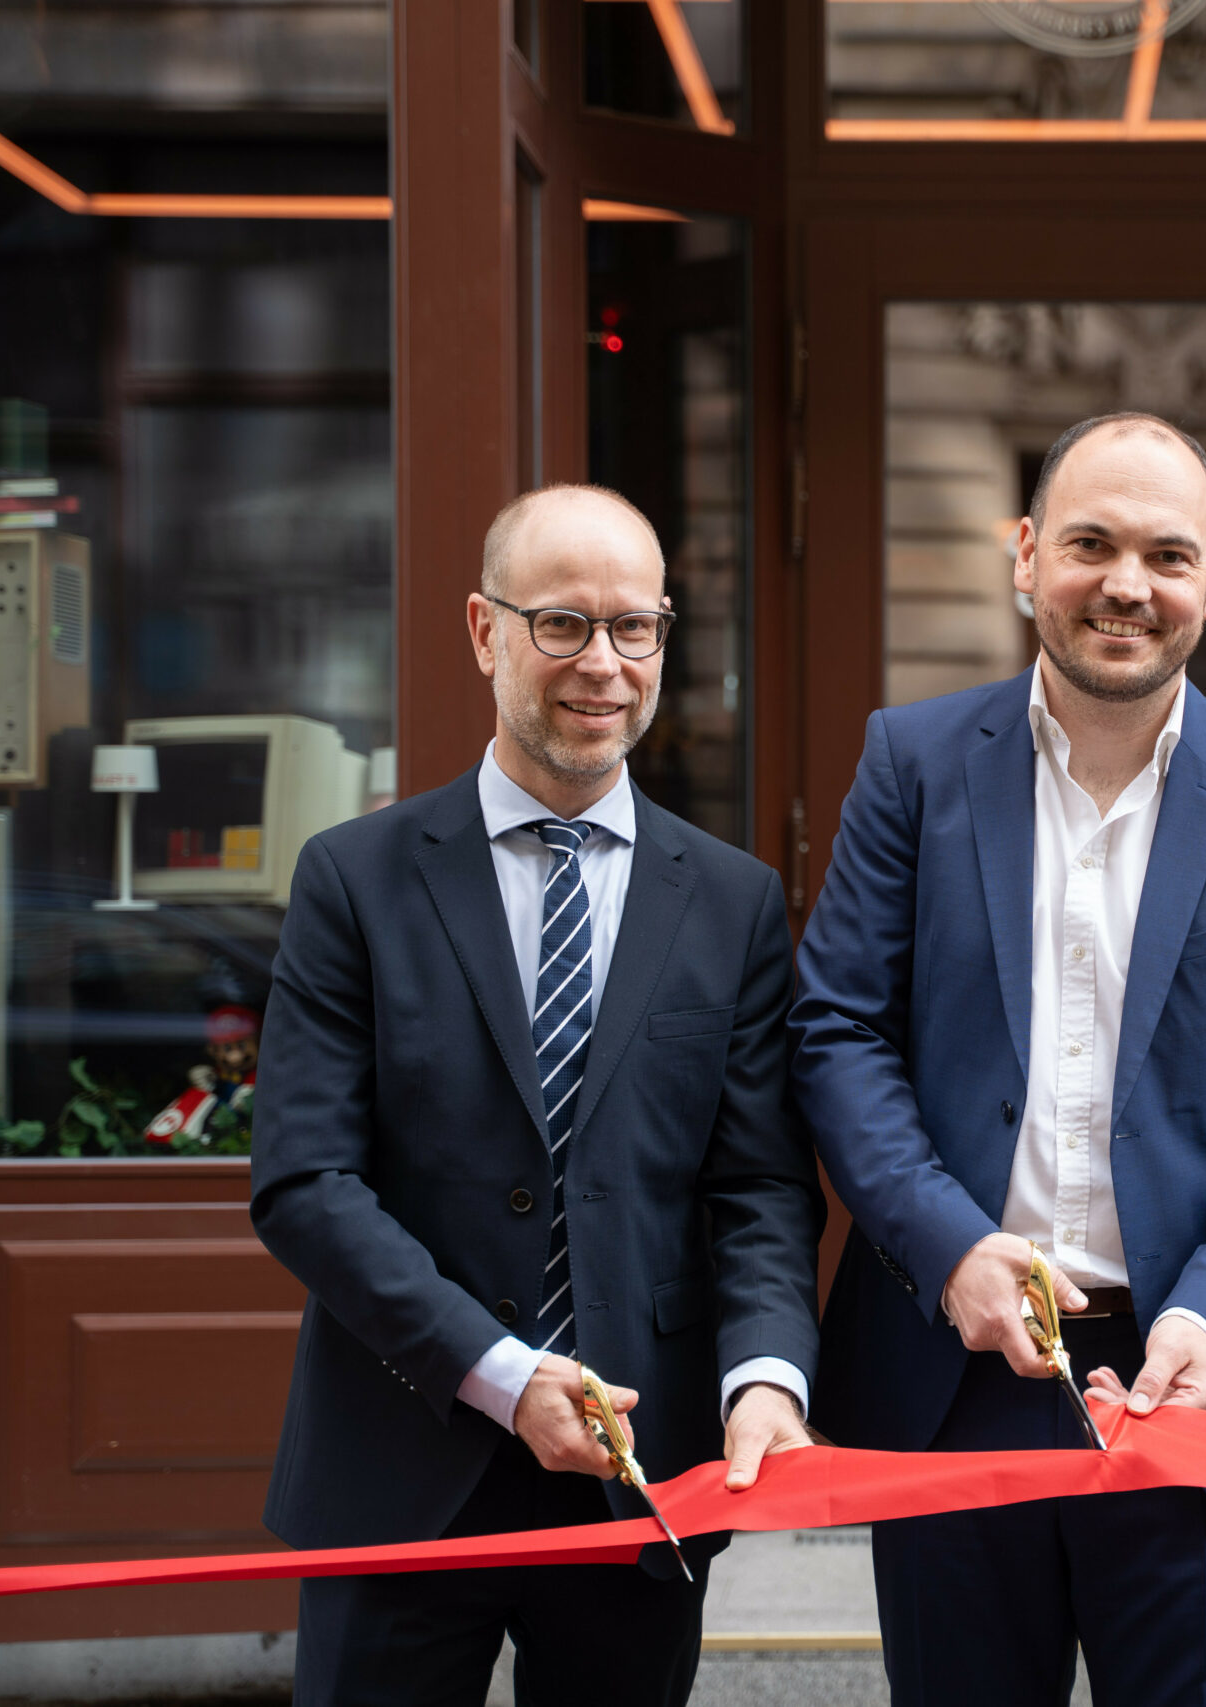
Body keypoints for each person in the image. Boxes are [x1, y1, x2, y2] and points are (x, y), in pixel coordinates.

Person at [790, 411, 1206, 1707]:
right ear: (1025, 556)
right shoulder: (911, 763)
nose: (1127, 584)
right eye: (1090, 544)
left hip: (1199, 1380)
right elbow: (838, 1029)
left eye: (1167, 555)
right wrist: (950, 1245)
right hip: (953, 1377)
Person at [250, 485, 824, 1707]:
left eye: (635, 627)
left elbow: (760, 1185)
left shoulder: (731, 901)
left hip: (641, 1469)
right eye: (562, 623)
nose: (603, 664)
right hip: (402, 1460)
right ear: (484, 631)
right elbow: (305, 1182)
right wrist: (501, 1373)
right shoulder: (354, 878)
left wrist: (766, 1374)